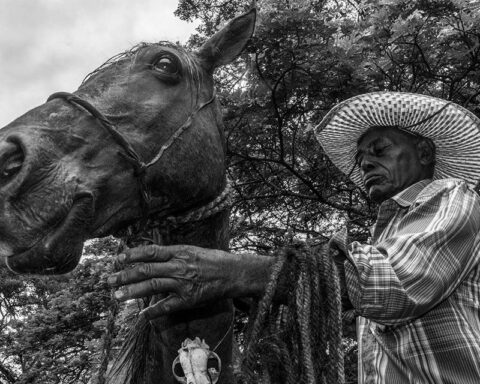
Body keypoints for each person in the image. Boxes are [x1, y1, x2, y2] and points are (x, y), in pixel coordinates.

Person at [107, 92, 480, 383]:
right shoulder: (382, 238)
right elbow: (348, 313)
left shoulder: (453, 195)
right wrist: (251, 295)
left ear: (425, 152)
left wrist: (239, 272)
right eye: (361, 155)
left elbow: (395, 282)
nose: (365, 162)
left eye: (379, 150)